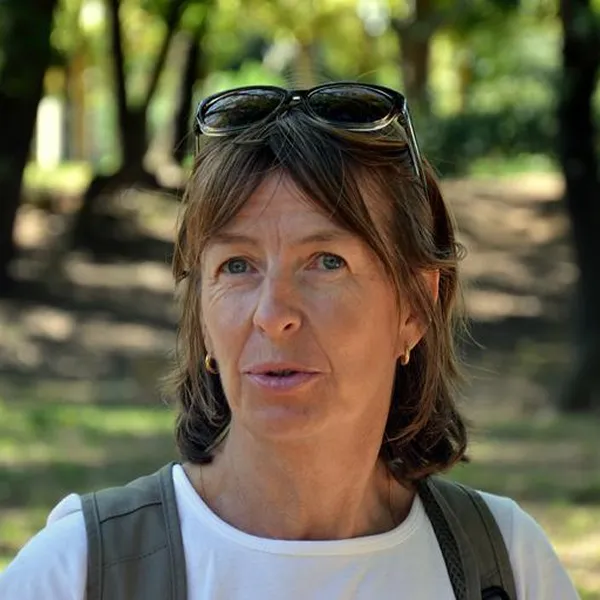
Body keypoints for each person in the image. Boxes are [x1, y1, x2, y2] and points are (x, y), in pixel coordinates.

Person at [0, 82, 579, 599]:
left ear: (415, 305)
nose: (273, 314)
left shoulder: (505, 566)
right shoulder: (78, 572)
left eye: (326, 262)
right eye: (236, 265)